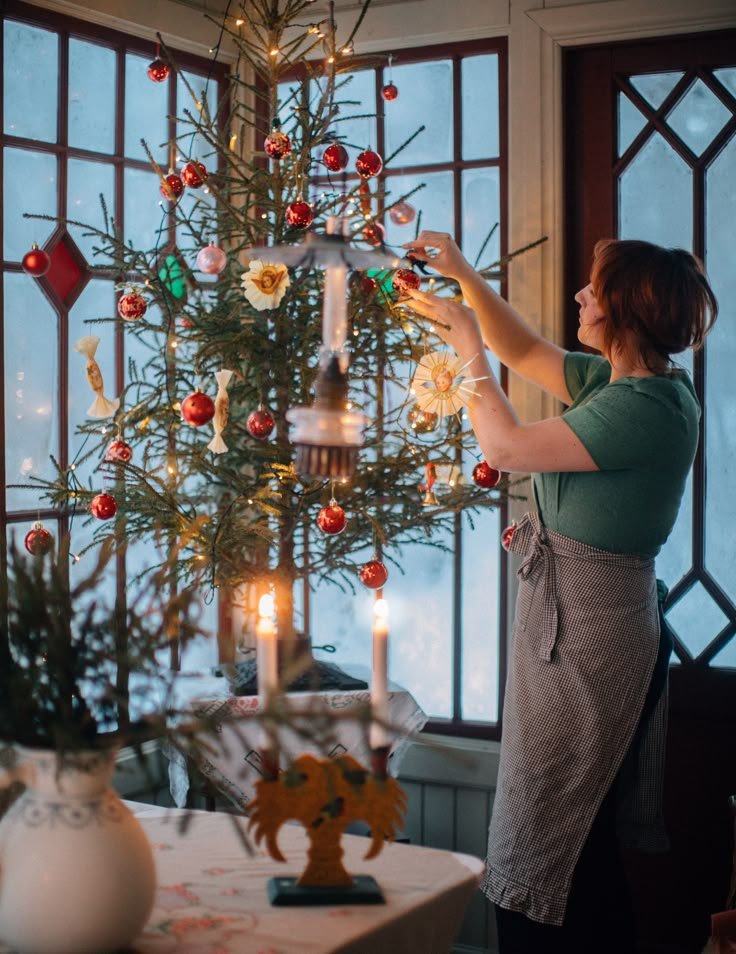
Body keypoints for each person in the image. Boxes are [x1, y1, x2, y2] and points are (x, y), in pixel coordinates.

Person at [402, 233, 718, 954]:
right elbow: (521, 349)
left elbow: (504, 449)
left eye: (591, 290)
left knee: (562, 839)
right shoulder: (621, 384)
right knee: (572, 841)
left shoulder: (647, 410)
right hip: (572, 630)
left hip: (593, 642)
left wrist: (462, 347)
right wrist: (461, 276)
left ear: (624, 312)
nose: (579, 297)